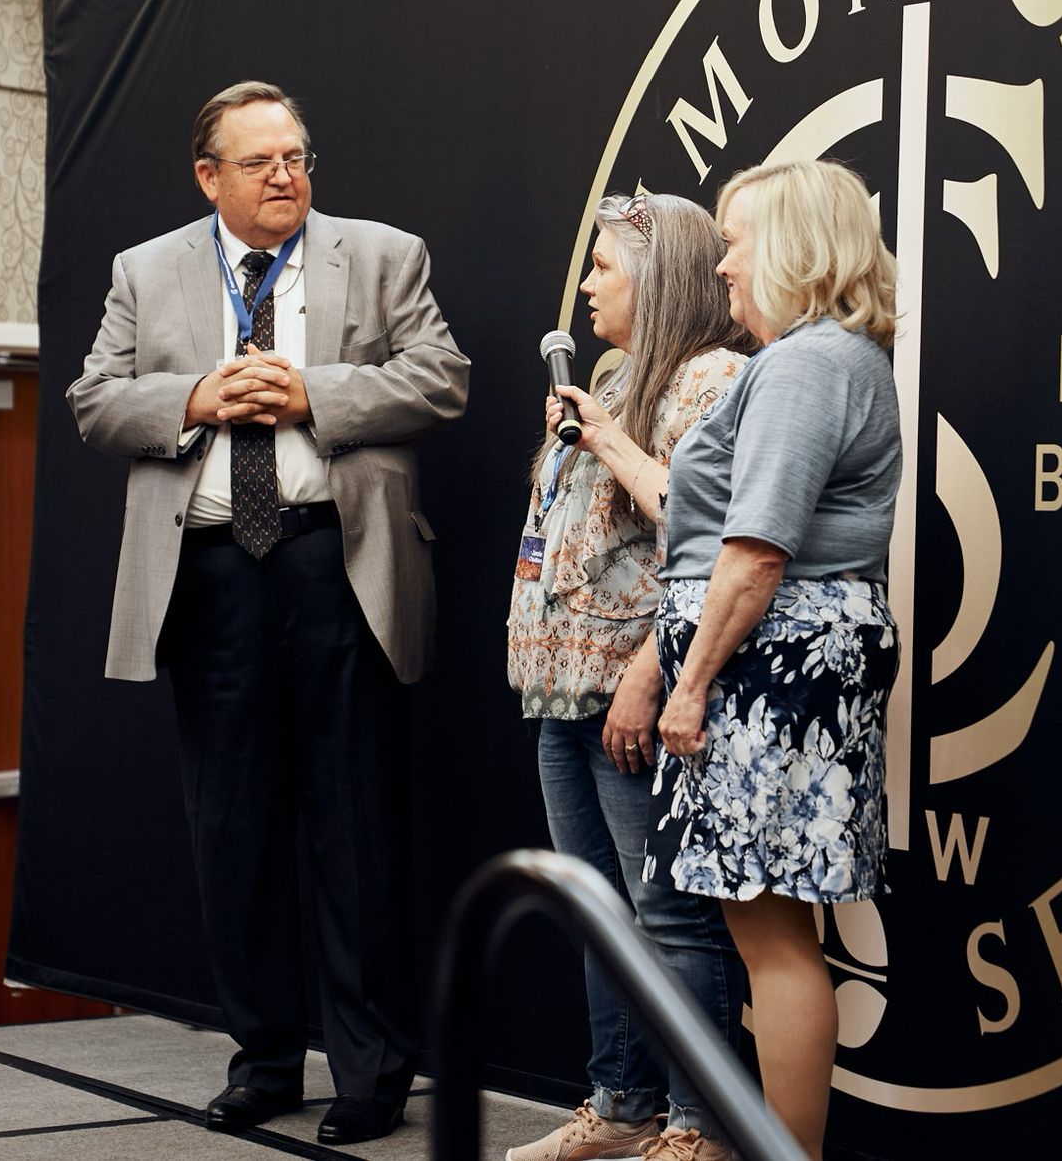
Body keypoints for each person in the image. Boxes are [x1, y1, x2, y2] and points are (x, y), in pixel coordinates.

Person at [66, 80, 469, 1145]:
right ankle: (263, 1058)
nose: (287, 176)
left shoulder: (385, 255)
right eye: (261, 163)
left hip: (336, 563)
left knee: (356, 827)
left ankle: (372, 1069)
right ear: (210, 177)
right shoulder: (143, 272)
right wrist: (195, 398)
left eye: (297, 157)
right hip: (209, 575)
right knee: (232, 829)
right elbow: (94, 400)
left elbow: (443, 379)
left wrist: (314, 395)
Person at [642, 159, 901, 1161]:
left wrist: (690, 682)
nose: (724, 267)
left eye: (740, 242)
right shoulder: (829, 357)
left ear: (796, 246)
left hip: (774, 660)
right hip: (789, 653)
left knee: (771, 933)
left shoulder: (804, 365)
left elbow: (754, 552)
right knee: (772, 924)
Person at [505, 192, 754, 1161]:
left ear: (658, 279)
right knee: (598, 911)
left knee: (671, 914)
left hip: (633, 696)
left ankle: (698, 1123)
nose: (588, 283)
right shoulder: (609, 374)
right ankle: (621, 1103)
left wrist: (651, 675)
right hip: (562, 695)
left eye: (604, 265)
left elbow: (700, 536)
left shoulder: (710, 379)